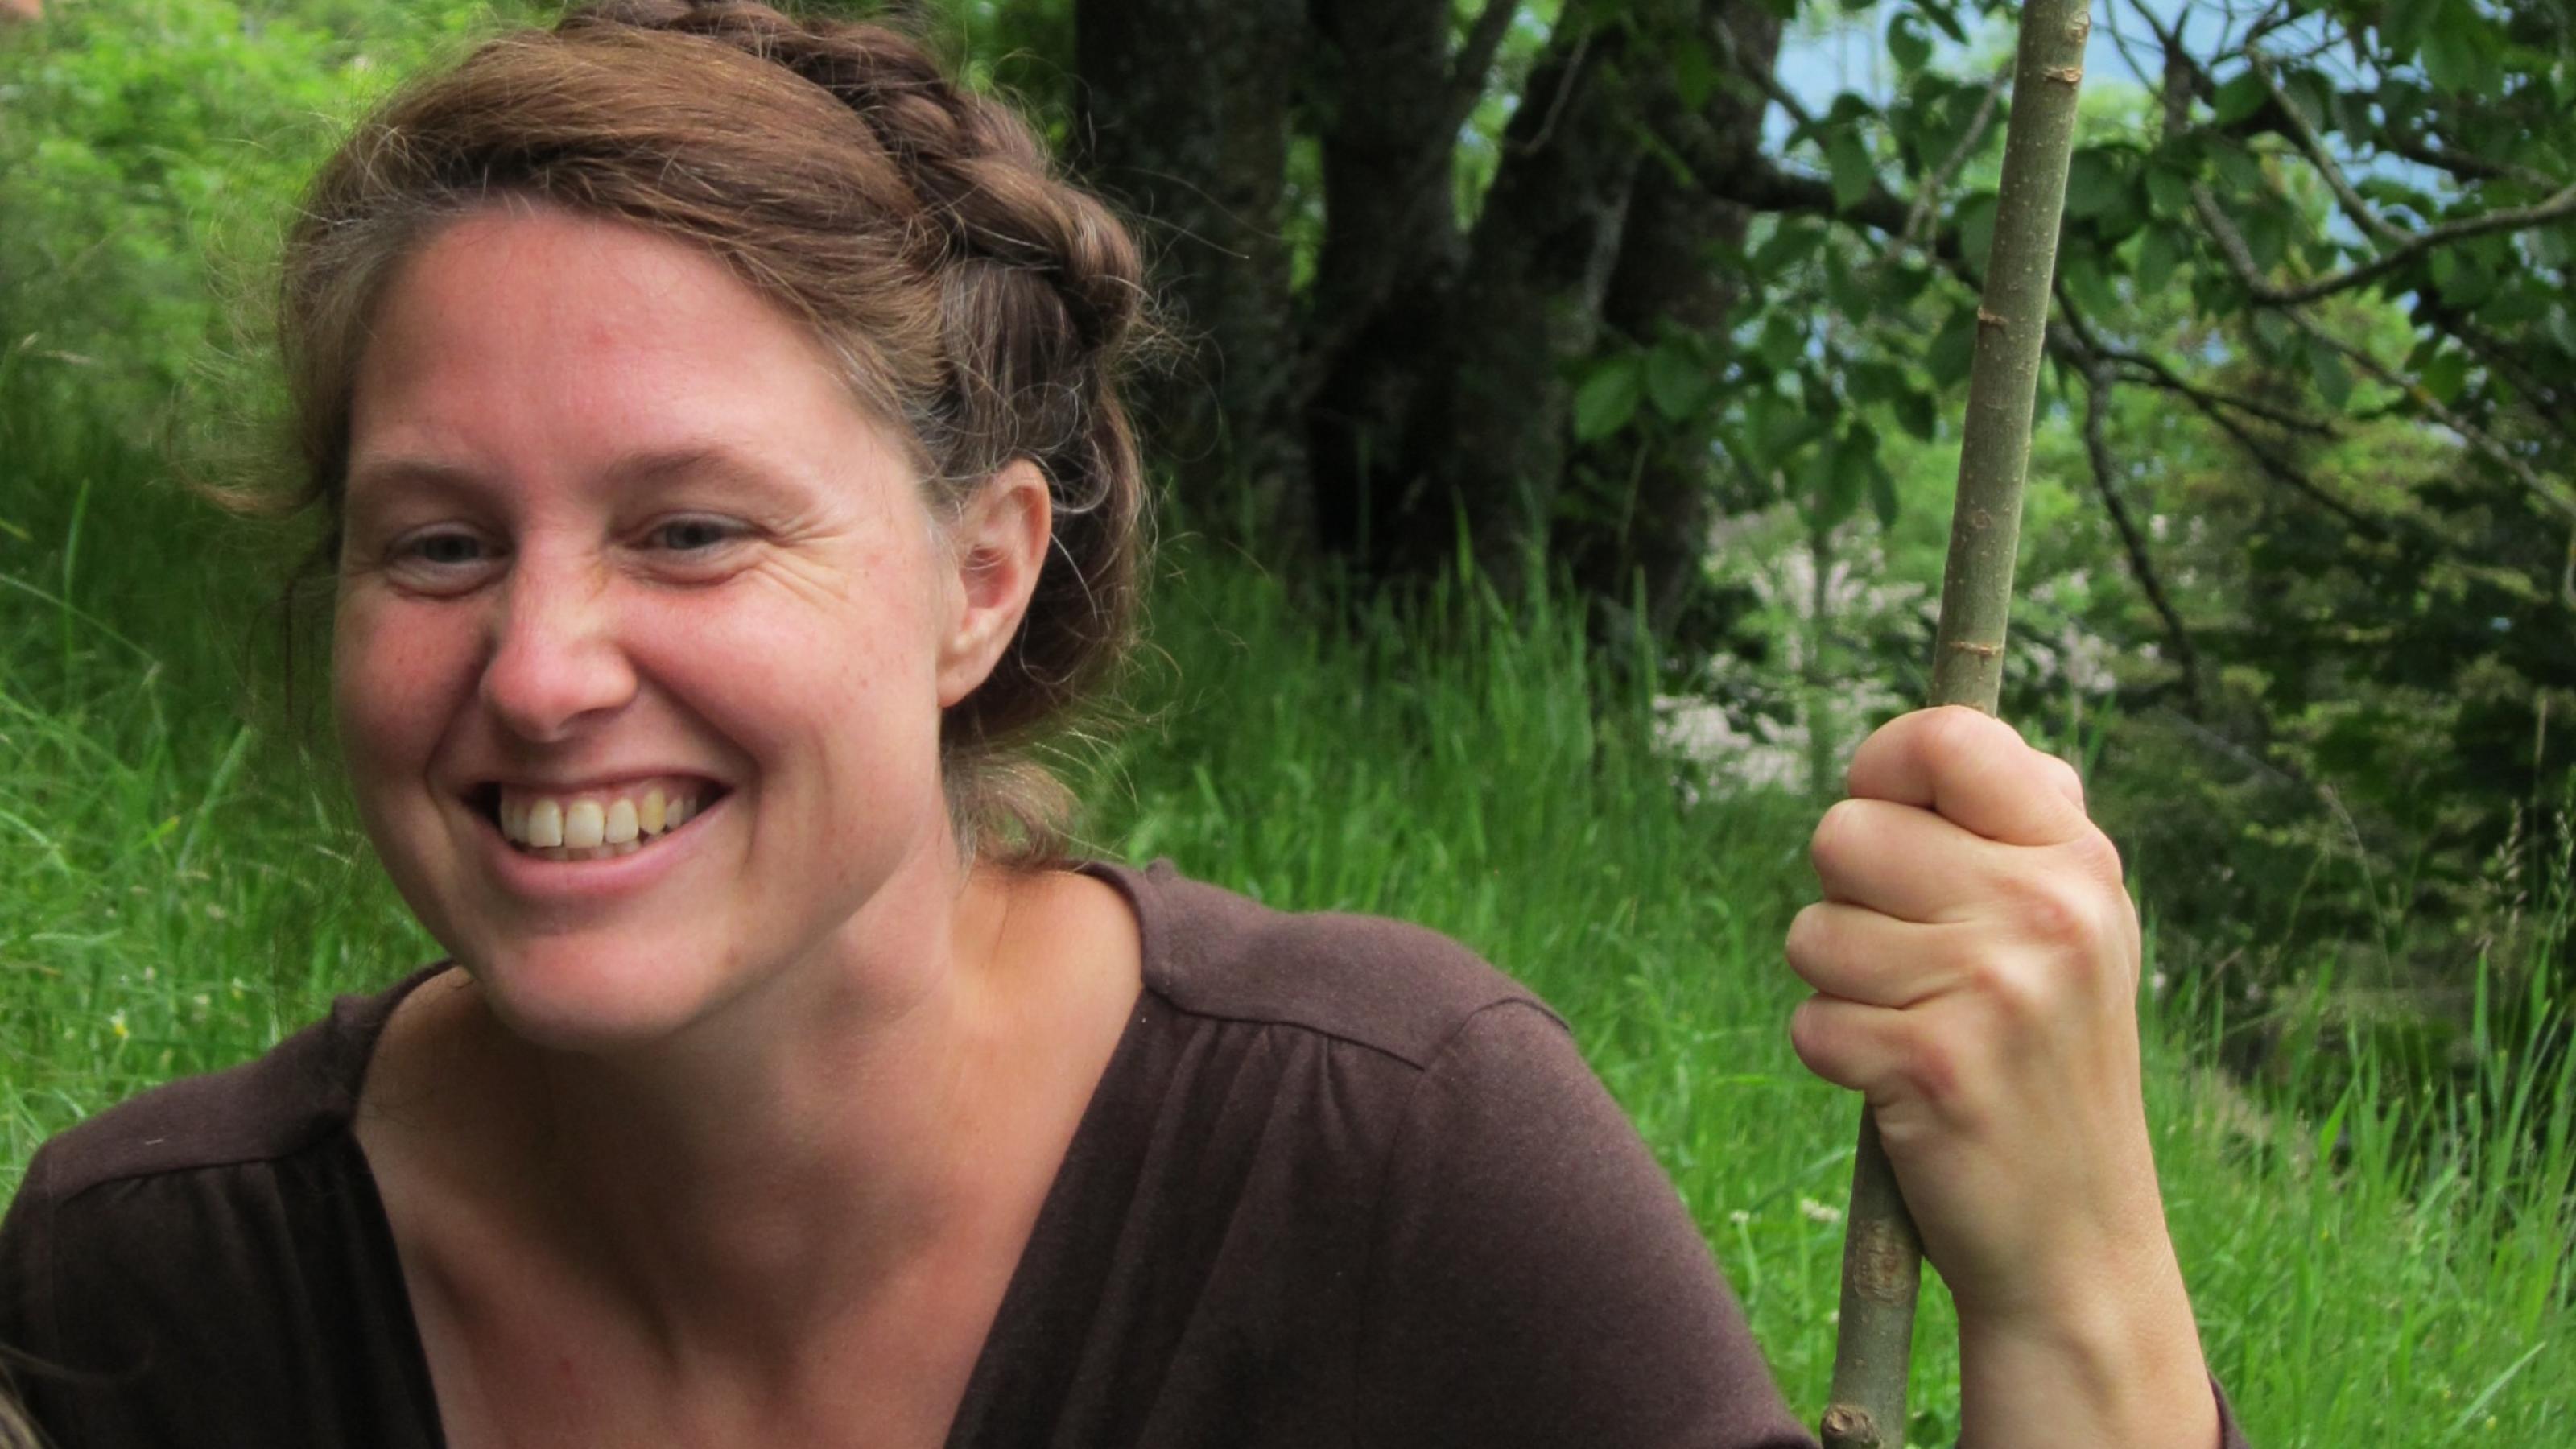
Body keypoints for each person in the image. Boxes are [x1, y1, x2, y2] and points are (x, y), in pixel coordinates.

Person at [0, 3, 2247, 1445]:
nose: (542, 666)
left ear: (982, 575)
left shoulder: (1383, 1176)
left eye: (689, 532)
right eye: (437, 547)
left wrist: (2083, 1284)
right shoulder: (166, 1294)